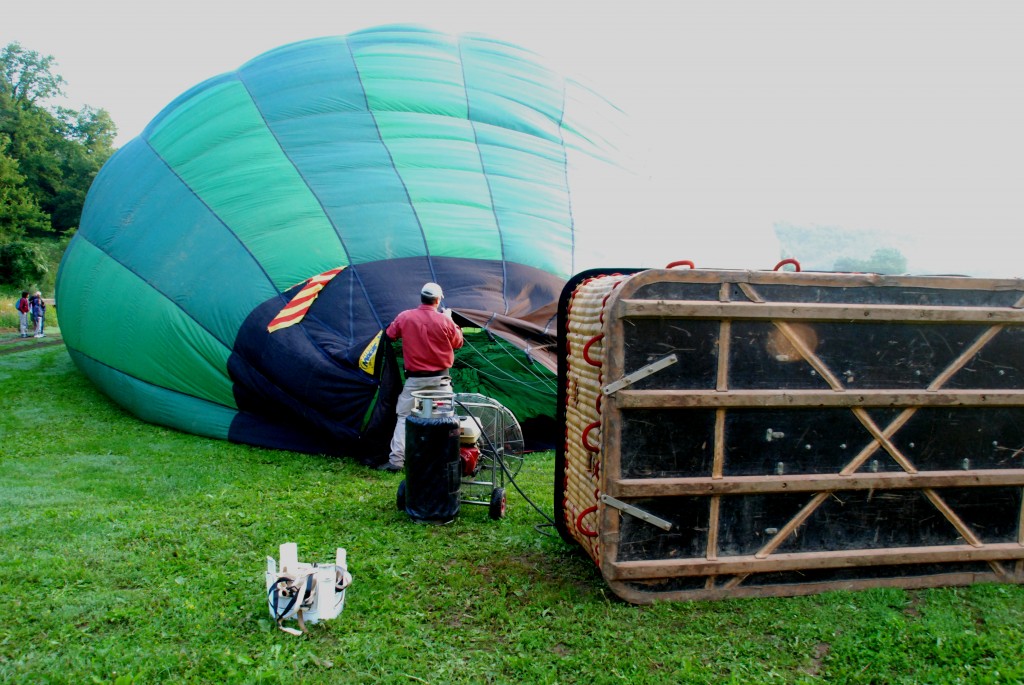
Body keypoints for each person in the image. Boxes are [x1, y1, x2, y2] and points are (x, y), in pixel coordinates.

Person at [378, 282, 464, 472]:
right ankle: (443, 459)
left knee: (404, 417)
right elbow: (458, 343)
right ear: (438, 299)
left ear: (421, 298)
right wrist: (449, 320)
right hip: (440, 382)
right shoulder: (445, 321)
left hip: (414, 381)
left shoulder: (405, 317)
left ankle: (396, 461)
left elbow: (390, 334)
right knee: (446, 418)